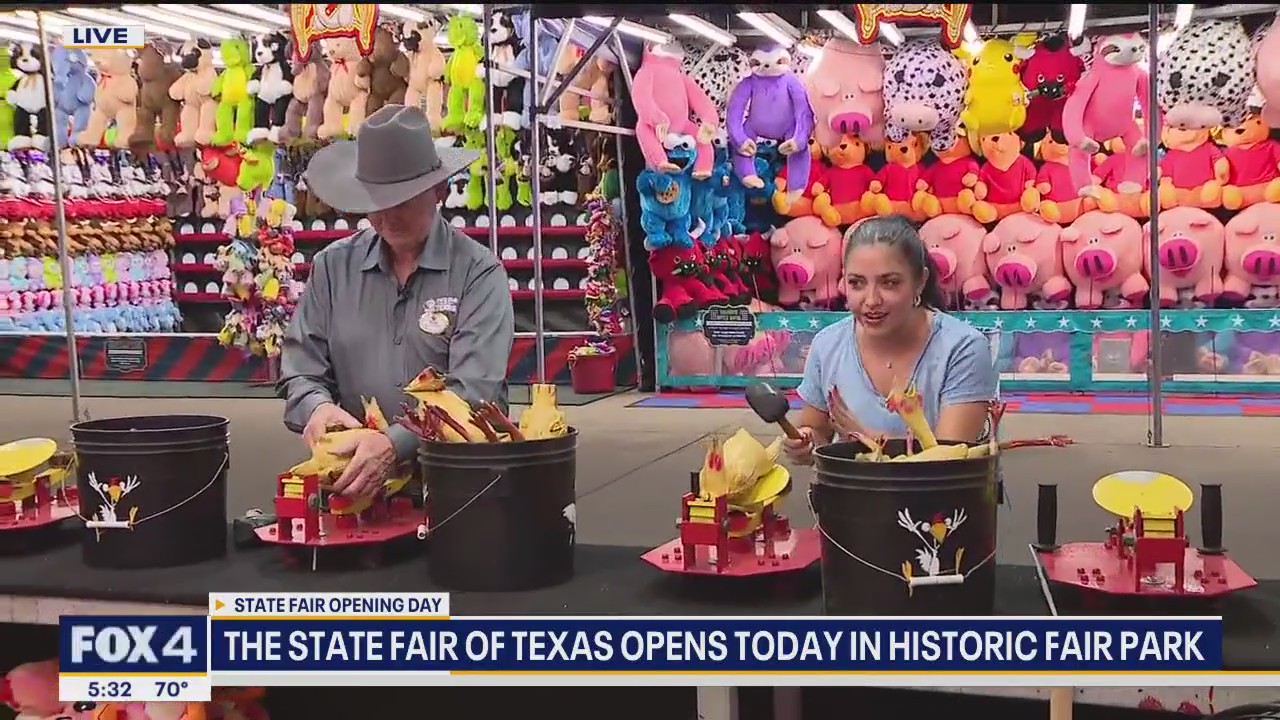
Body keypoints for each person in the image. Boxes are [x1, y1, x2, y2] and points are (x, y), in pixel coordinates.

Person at [278, 105, 515, 496]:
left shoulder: (479, 273)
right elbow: (301, 368)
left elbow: (474, 390)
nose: (386, 217)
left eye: (402, 201)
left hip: (461, 490)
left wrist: (394, 443)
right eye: (374, 202)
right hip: (353, 487)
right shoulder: (333, 268)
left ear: (440, 191)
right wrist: (316, 407)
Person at [783, 215, 998, 465]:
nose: (871, 299)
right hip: (849, 500)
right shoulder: (827, 345)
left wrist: (866, 439)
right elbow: (816, 429)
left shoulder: (964, 349)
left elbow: (946, 462)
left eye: (890, 283)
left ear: (920, 281)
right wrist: (807, 441)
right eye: (857, 283)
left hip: (941, 503)